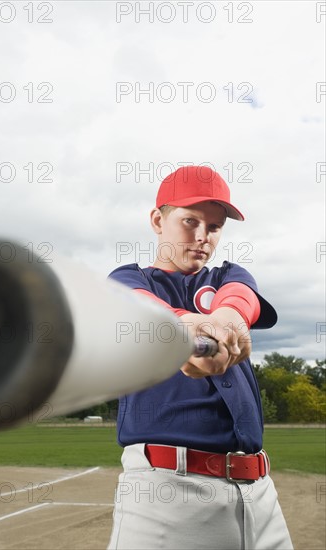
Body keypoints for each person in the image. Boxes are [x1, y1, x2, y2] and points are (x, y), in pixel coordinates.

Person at [107, 165, 293, 550]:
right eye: (189, 221)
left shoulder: (228, 274)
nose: (202, 237)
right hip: (167, 493)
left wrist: (224, 323)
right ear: (158, 220)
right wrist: (188, 327)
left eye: (214, 226)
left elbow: (239, 301)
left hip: (260, 494)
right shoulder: (129, 279)